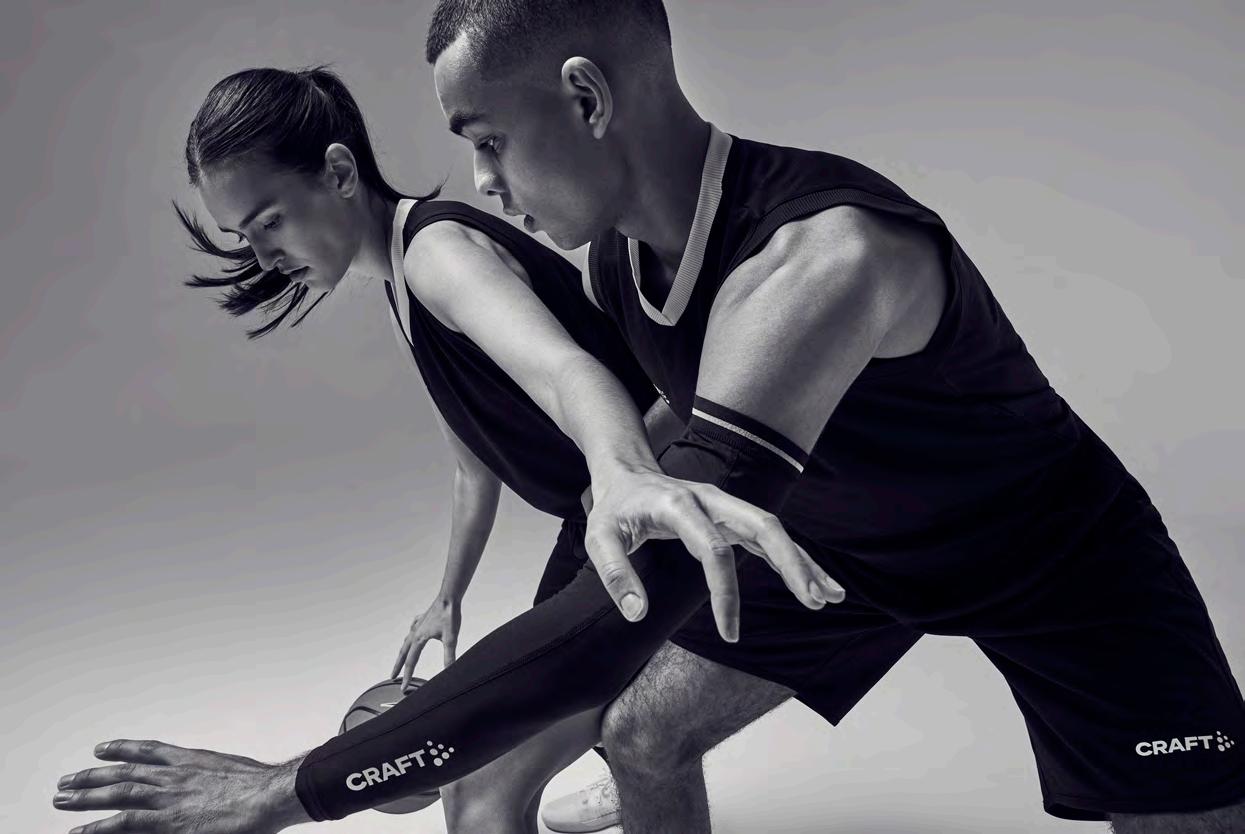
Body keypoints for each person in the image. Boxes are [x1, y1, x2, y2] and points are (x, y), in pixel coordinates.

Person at [417, 2, 1245, 832]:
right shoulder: (617, 260)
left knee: (1188, 821)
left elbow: (610, 612)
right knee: (643, 737)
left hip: (1045, 551)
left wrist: (344, 772)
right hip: (840, 555)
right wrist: (620, 469)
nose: (482, 180)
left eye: (489, 140)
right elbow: (693, 389)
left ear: (587, 100)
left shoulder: (828, 252)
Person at [51, 66, 841, 834]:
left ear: (337, 173)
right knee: (500, 763)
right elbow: (472, 457)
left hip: (669, 502)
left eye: (269, 223)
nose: (261, 257)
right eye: (241, 236)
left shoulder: (438, 254)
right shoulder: (400, 277)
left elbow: (571, 372)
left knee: (499, 779)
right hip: (604, 516)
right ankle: (623, 746)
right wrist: (447, 595)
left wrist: (622, 471)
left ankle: (626, 745)